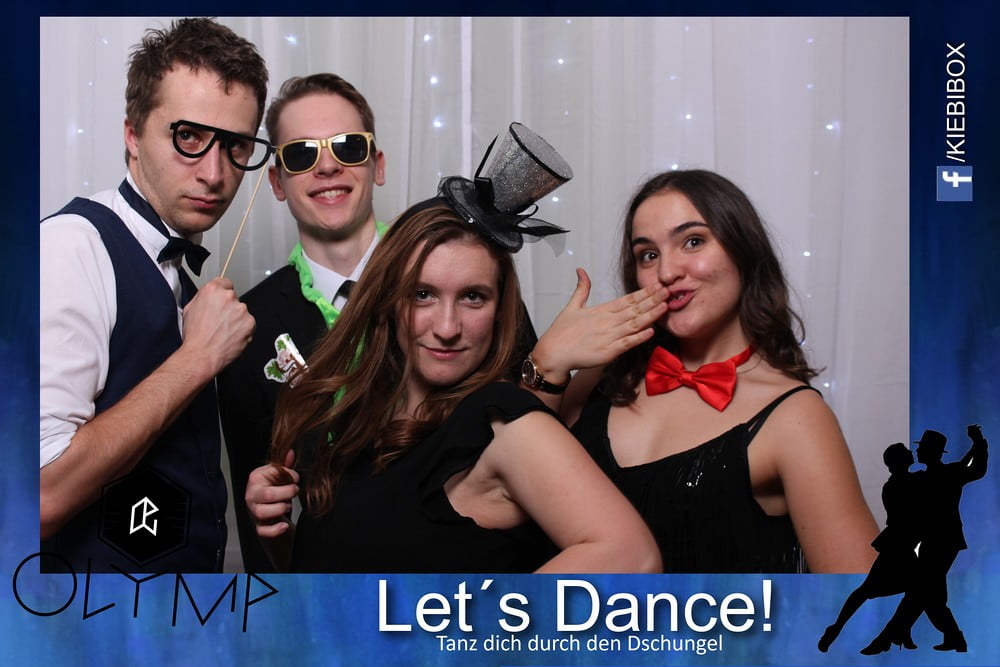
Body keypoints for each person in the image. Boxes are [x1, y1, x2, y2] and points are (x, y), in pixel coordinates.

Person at [246, 127, 661, 573]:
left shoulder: (504, 420)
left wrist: (465, 616)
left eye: (473, 297)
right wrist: (279, 537)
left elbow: (633, 557)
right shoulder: (363, 418)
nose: (447, 328)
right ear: (390, 300)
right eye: (423, 294)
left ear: (500, 309)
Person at [525, 169, 878, 573]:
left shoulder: (796, 418)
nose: (667, 272)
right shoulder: (601, 378)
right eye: (648, 255)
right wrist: (546, 363)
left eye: (692, 241)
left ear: (743, 249)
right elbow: (508, 493)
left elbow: (867, 602)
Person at [39, 18, 268, 572]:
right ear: (133, 135)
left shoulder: (179, 276)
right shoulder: (71, 246)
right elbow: (39, 496)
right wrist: (197, 358)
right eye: (188, 136)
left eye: (236, 145)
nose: (215, 173)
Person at [217, 73, 386, 573]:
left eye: (348, 146)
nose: (328, 165)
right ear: (276, 182)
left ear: (377, 165)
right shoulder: (245, 328)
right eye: (301, 154)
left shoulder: (448, 275)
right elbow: (261, 517)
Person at [860, 425, 987, 654]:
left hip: (943, 542)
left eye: (922, 448)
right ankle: (953, 638)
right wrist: (977, 444)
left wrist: (978, 443)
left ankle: (886, 638)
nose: (917, 451)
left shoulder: (942, 475)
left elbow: (974, 468)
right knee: (929, 595)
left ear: (931, 451)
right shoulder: (929, 476)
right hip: (931, 542)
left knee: (920, 592)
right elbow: (970, 467)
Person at [818, 443, 920, 652]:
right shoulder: (899, 485)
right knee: (872, 589)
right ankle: (837, 628)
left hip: (903, 544)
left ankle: (901, 630)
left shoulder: (903, 483)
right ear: (898, 461)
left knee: (913, 588)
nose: (911, 453)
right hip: (899, 545)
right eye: (905, 452)